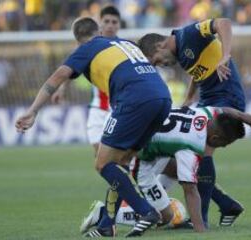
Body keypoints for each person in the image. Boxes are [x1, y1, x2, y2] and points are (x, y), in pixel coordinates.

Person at [15, 16, 172, 238]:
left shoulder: (87, 48)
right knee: (121, 162)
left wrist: (33, 110)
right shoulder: (124, 42)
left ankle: (146, 211)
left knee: (102, 163)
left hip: (134, 100)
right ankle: (107, 225)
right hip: (163, 98)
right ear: (98, 31)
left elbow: (58, 75)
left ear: (77, 39)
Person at [80, 106, 251, 234]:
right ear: (215, 139)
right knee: (166, 217)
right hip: (143, 163)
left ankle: (224, 204)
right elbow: (190, 190)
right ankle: (103, 213)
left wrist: (248, 119)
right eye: (224, 144)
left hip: (154, 141)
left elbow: (226, 110)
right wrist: (200, 230)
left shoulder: (206, 114)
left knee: (177, 171)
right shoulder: (192, 146)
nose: (222, 147)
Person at [138, 18, 247, 227]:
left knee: (202, 151)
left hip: (227, 95)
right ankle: (226, 204)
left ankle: (201, 221)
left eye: (156, 60)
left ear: (160, 46)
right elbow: (198, 70)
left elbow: (223, 23)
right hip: (208, 98)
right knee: (177, 158)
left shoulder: (189, 35)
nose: (160, 65)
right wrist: (189, 97)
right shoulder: (180, 51)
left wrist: (225, 56)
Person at [52, 5, 121, 160]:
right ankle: (119, 182)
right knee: (99, 156)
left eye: (114, 22)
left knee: (115, 157)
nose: (110, 25)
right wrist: (62, 90)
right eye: (106, 21)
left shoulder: (124, 46)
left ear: (119, 25)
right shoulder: (87, 47)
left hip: (118, 108)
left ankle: (121, 183)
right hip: (98, 108)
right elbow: (71, 68)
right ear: (99, 24)